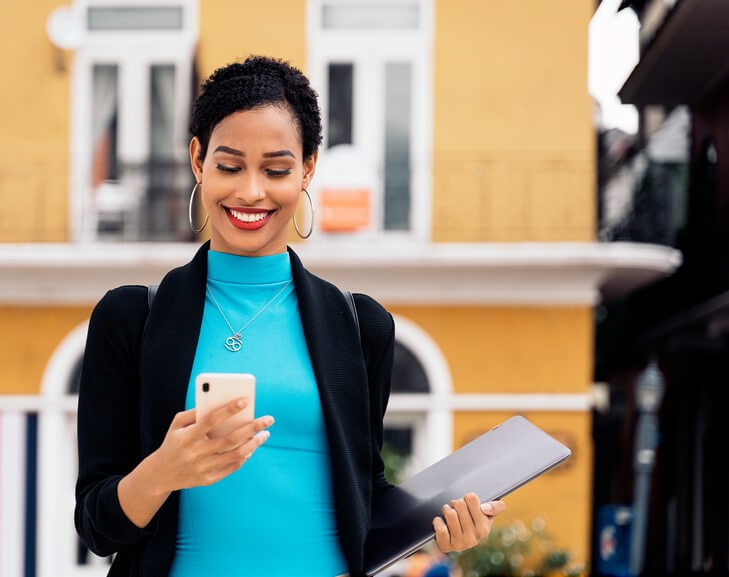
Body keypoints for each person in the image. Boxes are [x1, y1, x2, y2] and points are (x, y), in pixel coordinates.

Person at [74, 54, 505, 577]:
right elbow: (96, 525)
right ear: (197, 160)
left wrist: (443, 520)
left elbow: (364, 497)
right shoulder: (131, 318)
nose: (251, 192)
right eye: (229, 166)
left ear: (307, 168)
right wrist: (164, 471)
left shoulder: (361, 326)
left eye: (276, 169)